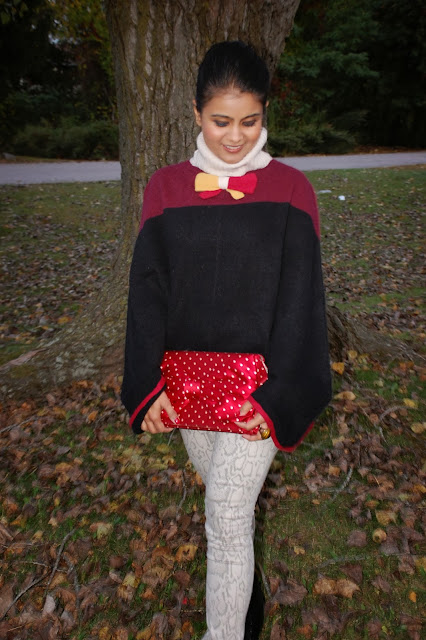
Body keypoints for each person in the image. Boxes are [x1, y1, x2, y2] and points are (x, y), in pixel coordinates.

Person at [121, 41, 331, 640]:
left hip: (257, 388)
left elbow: (302, 302)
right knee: (224, 510)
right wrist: (146, 384)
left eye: (250, 121)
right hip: (187, 385)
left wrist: (280, 396)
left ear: (264, 114)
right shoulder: (164, 188)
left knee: (227, 517)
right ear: (195, 112)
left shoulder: (292, 190)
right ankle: (245, 603)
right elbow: (148, 293)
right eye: (220, 121)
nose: (236, 137)